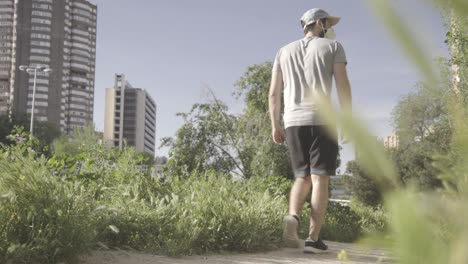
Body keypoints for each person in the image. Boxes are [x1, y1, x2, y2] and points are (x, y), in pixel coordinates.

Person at [268, 8, 352, 253]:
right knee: (320, 178)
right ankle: (313, 239)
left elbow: (274, 93)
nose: (330, 28)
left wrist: (275, 125)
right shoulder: (334, 48)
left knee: (302, 176)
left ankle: (292, 216)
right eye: (327, 23)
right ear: (318, 23)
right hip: (322, 119)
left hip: (293, 120)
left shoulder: (283, 51)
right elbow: (343, 86)